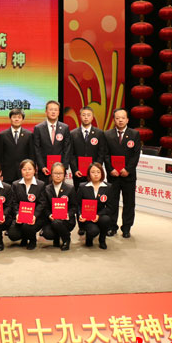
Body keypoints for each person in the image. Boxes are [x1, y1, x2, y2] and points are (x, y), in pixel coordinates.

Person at [69, 106, 107, 235]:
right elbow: (71, 154)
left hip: (94, 174)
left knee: (94, 198)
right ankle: (82, 225)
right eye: (84, 115)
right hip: (79, 173)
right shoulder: (73, 133)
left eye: (88, 115)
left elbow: (101, 153)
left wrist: (97, 169)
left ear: (92, 117)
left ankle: (94, 222)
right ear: (80, 116)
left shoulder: (99, 133)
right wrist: (75, 169)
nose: (86, 117)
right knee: (79, 200)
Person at [103, 108, 141, 238]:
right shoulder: (107, 134)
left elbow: (136, 155)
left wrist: (128, 169)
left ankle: (126, 228)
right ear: (114, 120)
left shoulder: (134, 134)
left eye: (123, 118)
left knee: (129, 203)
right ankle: (111, 227)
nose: (120, 120)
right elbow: (105, 154)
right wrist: (110, 169)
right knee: (112, 202)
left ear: (127, 120)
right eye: (117, 118)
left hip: (128, 176)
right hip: (113, 175)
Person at [7, 159, 46, 250]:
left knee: (27, 226)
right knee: (12, 235)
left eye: (30, 169)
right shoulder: (15, 184)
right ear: (21, 171)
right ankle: (24, 237)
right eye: (24, 169)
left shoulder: (40, 184)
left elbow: (42, 203)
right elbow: (14, 202)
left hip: (35, 218)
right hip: (20, 217)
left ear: (35, 170)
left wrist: (35, 215)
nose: (27, 172)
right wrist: (17, 214)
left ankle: (32, 240)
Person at [34, 100, 73, 183]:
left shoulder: (65, 128)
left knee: (59, 189)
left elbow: (67, 149)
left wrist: (63, 167)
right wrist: (42, 166)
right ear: (46, 111)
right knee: (44, 189)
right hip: (44, 169)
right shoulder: (38, 128)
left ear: (59, 112)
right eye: (51, 109)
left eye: (55, 110)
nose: (53, 112)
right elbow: (37, 149)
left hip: (60, 169)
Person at [41, 162, 78, 251]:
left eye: (60, 173)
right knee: (47, 233)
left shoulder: (70, 188)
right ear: (51, 174)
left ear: (64, 175)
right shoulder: (46, 189)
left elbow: (74, 206)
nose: (58, 176)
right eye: (55, 173)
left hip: (66, 220)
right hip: (52, 219)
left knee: (57, 223)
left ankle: (66, 239)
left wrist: (68, 214)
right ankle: (56, 237)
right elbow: (45, 207)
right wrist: (49, 215)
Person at [77, 162, 114, 249]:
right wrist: (80, 214)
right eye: (93, 172)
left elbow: (110, 207)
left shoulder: (108, 187)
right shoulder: (83, 187)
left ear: (102, 173)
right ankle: (89, 238)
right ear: (89, 174)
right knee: (93, 231)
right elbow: (78, 204)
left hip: (100, 215)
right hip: (87, 217)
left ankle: (102, 239)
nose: (96, 174)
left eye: (98, 172)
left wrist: (98, 215)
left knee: (106, 219)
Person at [0, 108, 34, 184]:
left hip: (24, 172)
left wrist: (32, 171)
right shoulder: (2, 135)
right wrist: (0, 173)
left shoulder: (29, 135)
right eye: (14, 117)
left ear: (22, 119)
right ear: (10, 119)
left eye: (19, 117)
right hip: (7, 173)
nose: (16, 119)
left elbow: (31, 155)